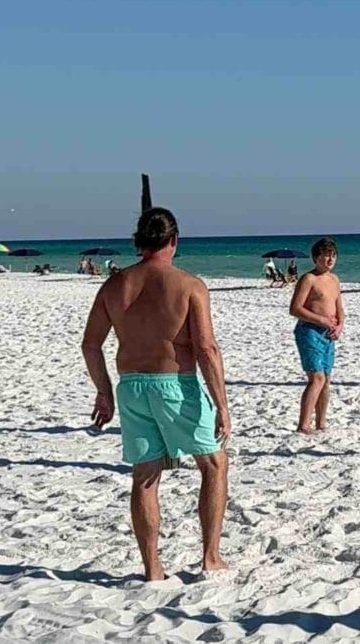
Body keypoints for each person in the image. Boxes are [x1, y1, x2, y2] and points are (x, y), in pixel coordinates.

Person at [80, 207, 231, 582]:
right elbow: (206, 349)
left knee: (145, 474)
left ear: (139, 242)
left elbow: (90, 345)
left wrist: (105, 392)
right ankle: (210, 557)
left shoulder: (114, 285)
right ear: (174, 241)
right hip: (175, 383)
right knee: (214, 464)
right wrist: (222, 403)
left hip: (131, 385)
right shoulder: (189, 284)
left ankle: (153, 569)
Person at [289, 238, 344, 434]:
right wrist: (320, 320)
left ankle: (321, 422)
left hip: (328, 334)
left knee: (327, 379)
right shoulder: (308, 279)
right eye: (326, 255)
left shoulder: (334, 279)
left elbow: (339, 308)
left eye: (333, 255)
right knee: (316, 378)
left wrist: (340, 326)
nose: (330, 259)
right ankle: (303, 424)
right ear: (316, 257)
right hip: (309, 331)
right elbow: (295, 308)